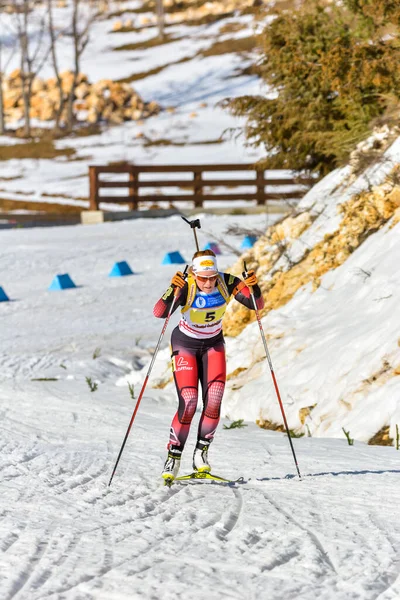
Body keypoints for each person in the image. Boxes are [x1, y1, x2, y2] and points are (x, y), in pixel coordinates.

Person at [153, 249, 264, 483]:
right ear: (194, 273)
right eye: (203, 277)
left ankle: (200, 454)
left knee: (214, 398)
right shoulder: (187, 285)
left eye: (212, 276)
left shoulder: (227, 282)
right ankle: (174, 455)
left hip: (213, 345)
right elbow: (159, 313)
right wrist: (171, 290)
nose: (208, 282)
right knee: (190, 400)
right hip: (185, 344)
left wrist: (255, 287)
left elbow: (257, 305)